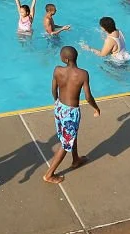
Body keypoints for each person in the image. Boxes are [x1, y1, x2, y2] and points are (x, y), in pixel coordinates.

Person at [41, 46, 99, 185]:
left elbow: (53, 89)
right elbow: (88, 97)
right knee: (66, 143)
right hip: (71, 112)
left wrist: (56, 102)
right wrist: (96, 108)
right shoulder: (83, 74)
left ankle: (75, 159)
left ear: (65, 59)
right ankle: (49, 174)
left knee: (71, 135)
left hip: (59, 108)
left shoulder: (57, 70)